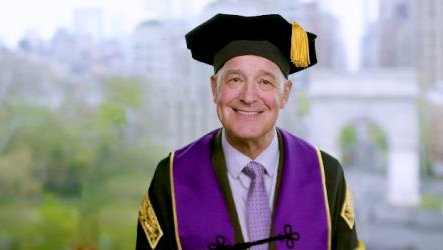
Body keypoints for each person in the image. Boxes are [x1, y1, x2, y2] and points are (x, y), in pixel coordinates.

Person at [136, 13, 365, 250]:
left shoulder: (325, 175)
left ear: (285, 94)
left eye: (265, 82)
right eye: (235, 80)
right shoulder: (173, 177)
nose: (248, 97)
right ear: (215, 88)